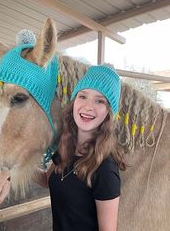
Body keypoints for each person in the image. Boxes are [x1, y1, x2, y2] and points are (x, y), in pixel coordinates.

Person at [35, 64, 127, 231]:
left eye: (99, 100)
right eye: (83, 96)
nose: (88, 106)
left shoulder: (105, 170)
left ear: (108, 112)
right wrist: (14, 167)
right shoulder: (64, 148)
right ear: (74, 101)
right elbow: (47, 180)